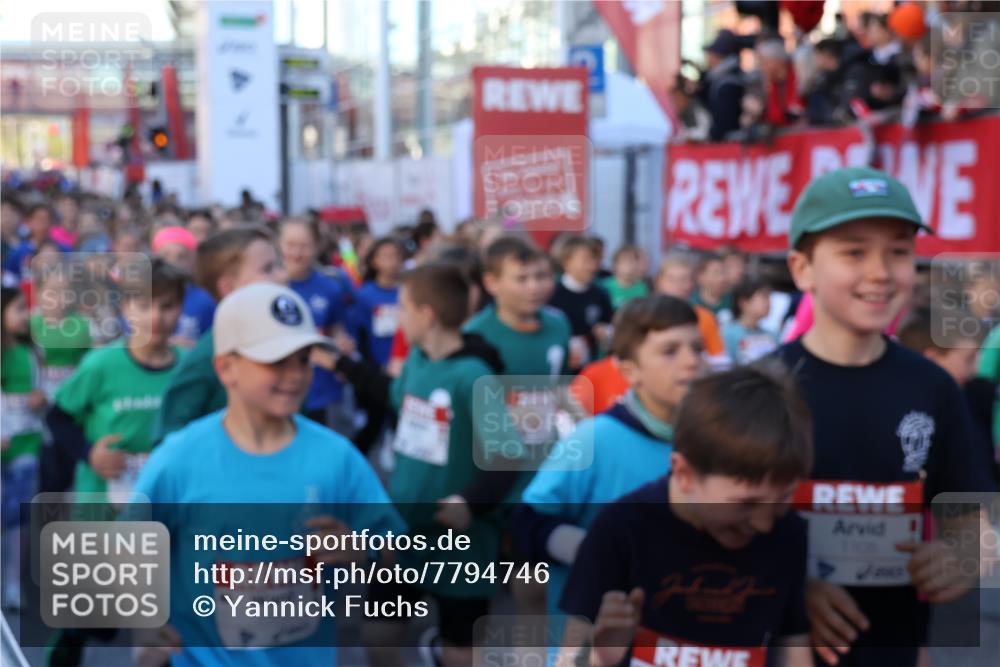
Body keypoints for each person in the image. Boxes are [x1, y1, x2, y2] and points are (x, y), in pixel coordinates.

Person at [775, 166, 997, 667]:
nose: (880, 271)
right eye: (854, 252)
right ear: (802, 268)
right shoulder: (760, 388)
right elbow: (704, 527)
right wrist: (791, 585)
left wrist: (965, 556)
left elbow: (972, 515)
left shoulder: (933, 387)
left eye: (898, 251)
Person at [131, 283, 404, 667]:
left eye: (303, 359)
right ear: (226, 368)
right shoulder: (179, 460)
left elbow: (396, 548)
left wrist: (363, 550)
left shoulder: (336, 457)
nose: (295, 375)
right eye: (275, 361)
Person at [558, 363, 815, 667]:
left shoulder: (787, 534)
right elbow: (569, 658)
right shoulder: (622, 528)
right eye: (746, 503)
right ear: (684, 473)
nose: (764, 523)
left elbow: (792, 644)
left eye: (782, 499)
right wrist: (601, 657)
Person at [330, 263, 523, 667]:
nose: (398, 318)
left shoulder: (474, 376)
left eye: (403, 308)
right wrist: (340, 364)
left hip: (462, 543)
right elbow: (392, 393)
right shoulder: (418, 359)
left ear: (426, 314)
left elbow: (509, 455)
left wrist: (470, 502)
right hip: (404, 531)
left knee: (461, 653)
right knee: (379, 637)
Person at [516, 295, 704, 642]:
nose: (692, 361)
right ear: (630, 371)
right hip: (594, 641)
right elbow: (528, 523)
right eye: (670, 351)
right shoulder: (594, 440)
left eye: (697, 348)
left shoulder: (714, 440)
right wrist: (597, 551)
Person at [152, 225, 285, 443]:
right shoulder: (209, 354)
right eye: (268, 269)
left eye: (279, 265)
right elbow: (168, 435)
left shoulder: (281, 339)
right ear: (229, 287)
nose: (282, 275)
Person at [279, 218, 351, 430]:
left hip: (320, 388)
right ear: (279, 244)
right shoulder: (268, 285)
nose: (296, 253)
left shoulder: (330, 287)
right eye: (290, 244)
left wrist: (343, 346)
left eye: (304, 246)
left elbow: (338, 331)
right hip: (278, 386)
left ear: (317, 247)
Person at [1, 286, 45, 610]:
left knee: (18, 514)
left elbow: (42, 388)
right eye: (18, 308)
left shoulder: (32, 351)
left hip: (26, 441)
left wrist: (41, 398)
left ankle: (14, 583)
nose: (25, 315)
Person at [548, 234, 613, 373]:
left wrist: (605, 332)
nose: (592, 265)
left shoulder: (600, 293)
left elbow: (609, 325)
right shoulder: (550, 294)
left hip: (589, 369)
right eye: (585, 260)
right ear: (566, 262)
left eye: (594, 259)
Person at [655, 254, 729, 369]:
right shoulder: (646, 316)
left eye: (684, 279)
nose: (677, 285)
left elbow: (718, 359)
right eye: (671, 279)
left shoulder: (705, 317)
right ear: (659, 282)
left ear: (691, 284)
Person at [152, 226, 216, 348]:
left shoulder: (206, 300)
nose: (173, 261)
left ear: (193, 260)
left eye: (181, 256)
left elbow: (214, 345)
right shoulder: (142, 296)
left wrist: (191, 347)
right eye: (166, 255)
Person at [353, 237, 404, 368]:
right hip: (377, 367)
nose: (393, 261)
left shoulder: (408, 291)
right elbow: (358, 335)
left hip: (405, 365)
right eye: (387, 256)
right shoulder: (364, 295)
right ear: (374, 261)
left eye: (396, 255)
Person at [698, 29, 746, 141]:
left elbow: (724, 123)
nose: (708, 60)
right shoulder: (719, 79)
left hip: (730, 144)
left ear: (719, 56)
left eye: (711, 55)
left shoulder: (729, 83)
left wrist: (710, 136)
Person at [723, 277, 778, 365]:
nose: (769, 303)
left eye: (769, 297)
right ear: (744, 303)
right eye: (764, 297)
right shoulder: (727, 334)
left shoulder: (773, 335)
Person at [600, 244, 649, 309]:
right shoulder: (604, 287)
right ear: (615, 265)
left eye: (632, 261)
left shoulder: (642, 287)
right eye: (625, 262)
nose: (629, 265)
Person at [690, 252, 732, 322]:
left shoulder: (732, 301)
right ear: (700, 277)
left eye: (724, 272)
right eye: (716, 273)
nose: (722, 278)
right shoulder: (691, 304)